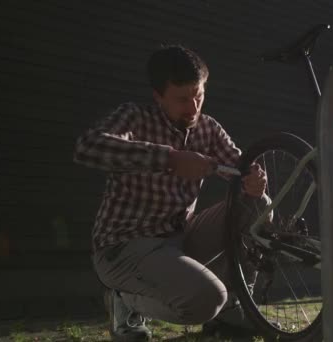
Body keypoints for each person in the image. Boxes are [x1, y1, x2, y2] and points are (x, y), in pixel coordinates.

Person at [73, 45, 268, 341]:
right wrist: (171, 160)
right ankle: (125, 301)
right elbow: (88, 147)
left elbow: (240, 165)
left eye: (198, 96)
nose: (193, 108)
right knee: (207, 299)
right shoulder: (135, 117)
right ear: (158, 96)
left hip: (180, 237)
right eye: (181, 99)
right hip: (124, 245)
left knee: (257, 204)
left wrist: (254, 179)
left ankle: (234, 313)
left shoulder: (208, 128)